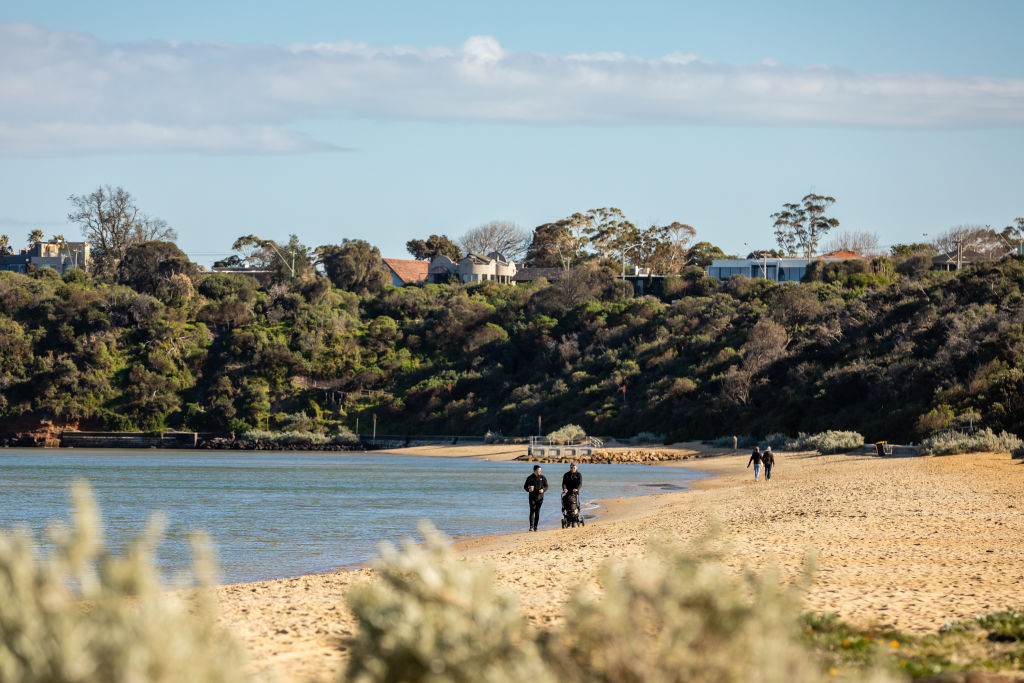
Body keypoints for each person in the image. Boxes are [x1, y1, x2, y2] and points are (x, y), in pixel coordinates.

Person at [523, 464, 548, 531]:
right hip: (532, 497)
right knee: (532, 511)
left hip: (540, 497)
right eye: (538, 470)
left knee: (537, 512)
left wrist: (543, 490)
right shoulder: (530, 478)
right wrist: (528, 489)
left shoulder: (543, 477)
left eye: (540, 470)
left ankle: (535, 527)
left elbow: (546, 486)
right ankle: (531, 526)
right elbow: (525, 487)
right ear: (535, 470)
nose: (540, 471)